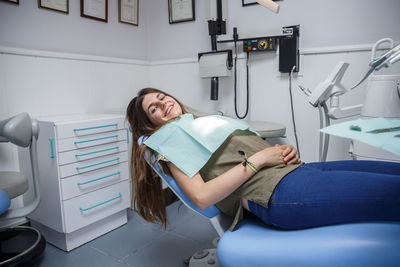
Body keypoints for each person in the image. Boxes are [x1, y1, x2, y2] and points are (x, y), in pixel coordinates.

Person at [126, 87, 400, 231]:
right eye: (155, 108)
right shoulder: (167, 139)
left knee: (391, 173)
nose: (164, 104)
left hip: (294, 172)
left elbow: (244, 152)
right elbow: (200, 196)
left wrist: (282, 154)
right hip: (276, 194)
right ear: (150, 124)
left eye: (162, 97)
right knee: (392, 191)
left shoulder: (195, 123)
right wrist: (258, 160)